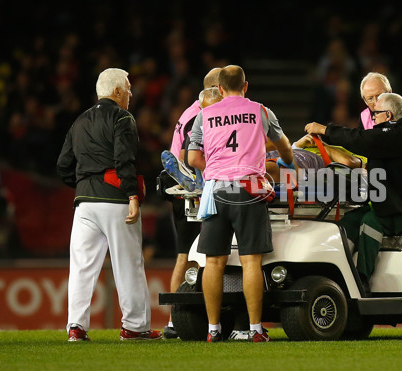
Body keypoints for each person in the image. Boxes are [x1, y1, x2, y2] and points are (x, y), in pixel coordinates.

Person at [187, 65, 294, 342]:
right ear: (246, 86)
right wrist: (286, 160)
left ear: (219, 89)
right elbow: (284, 146)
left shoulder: (204, 114)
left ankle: (212, 330)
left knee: (213, 263)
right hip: (250, 189)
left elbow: (191, 157)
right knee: (250, 262)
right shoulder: (261, 111)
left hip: (216, 191)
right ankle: (256, 329)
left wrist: (215, 168)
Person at [56, 68, 161, 341]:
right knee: (128, 265)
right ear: (116, 92)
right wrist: (132, 195)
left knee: (81, 267)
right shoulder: (122, 117)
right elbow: (124, 159)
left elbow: (63, 166)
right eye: (127, 88)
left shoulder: (79, 121)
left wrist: (85, 184)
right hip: (115, 200)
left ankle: (76, 328)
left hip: (84, 205)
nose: (130, 93)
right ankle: (135, 327)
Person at [305, 92, 402, 290]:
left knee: (371, 222)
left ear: (388, 115)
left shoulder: (399, 135)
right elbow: (362, 149)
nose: (372, 117)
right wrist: (325, 146)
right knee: (344, 225)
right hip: (386, 206)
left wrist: (325, 129)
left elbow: (360, 139)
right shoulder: (392, 137)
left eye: (375, 113)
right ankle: (335, 276)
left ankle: (361, 281)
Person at [161, 69, 221, 340]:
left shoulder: (193, 112)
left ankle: (176, 321)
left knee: (185, 257)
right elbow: (188, 153)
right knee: (192, 257)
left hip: (183, 191)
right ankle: (177, 320)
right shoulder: (200, 115)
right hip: (190, 194)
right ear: (217, 89)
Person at [358, 72, 402, 179]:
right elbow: (362, 148)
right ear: (364, 100)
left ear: (390, 92)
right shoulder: (364, 116)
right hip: (387, 182)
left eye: (379, 96)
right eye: (370, 98)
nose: (375, 102)